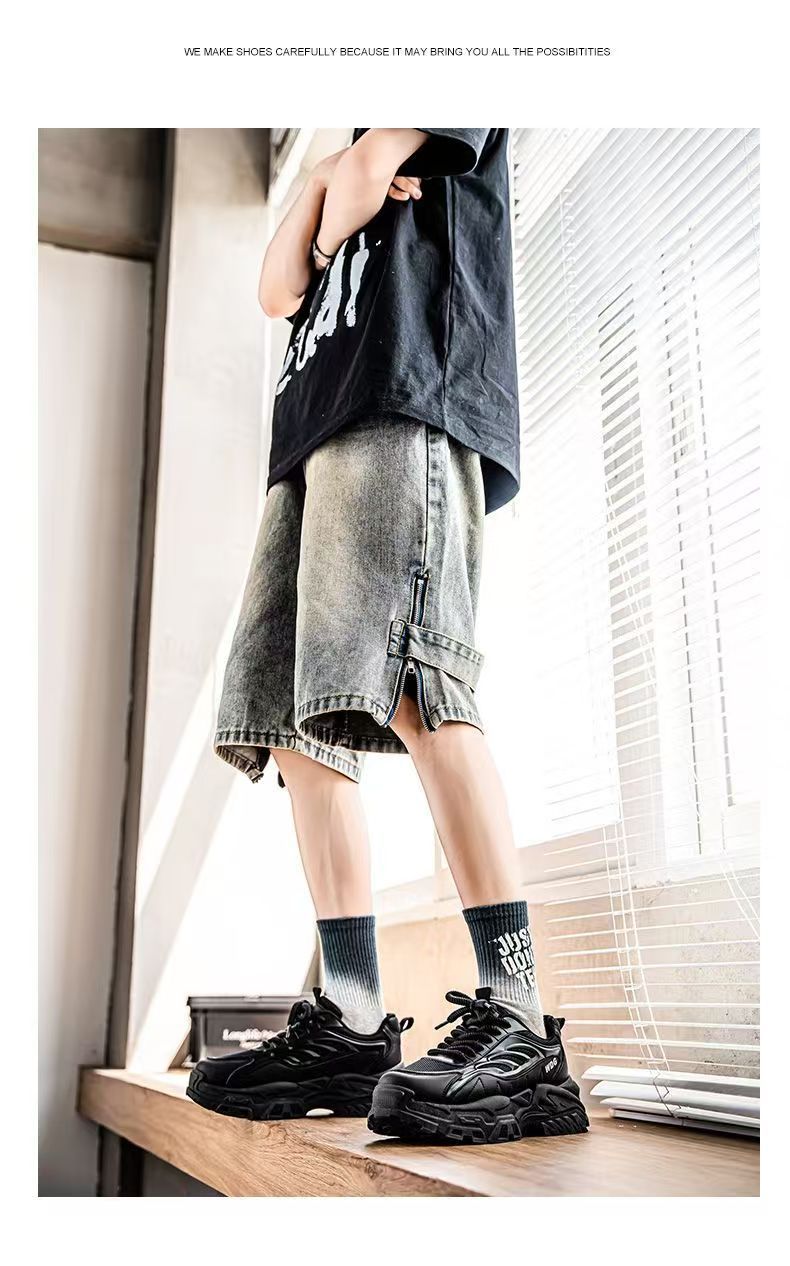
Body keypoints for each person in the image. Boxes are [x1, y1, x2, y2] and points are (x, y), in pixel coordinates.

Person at [187, 129, 588, 1145]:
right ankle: (353, 1016)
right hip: (314, 426)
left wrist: (341, 191)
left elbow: (366, 183)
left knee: (418, 680)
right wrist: (327, 183)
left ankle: (521, 1018)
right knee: (295, 720)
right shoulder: (354, 136)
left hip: (404, 391)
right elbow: (277, 288)